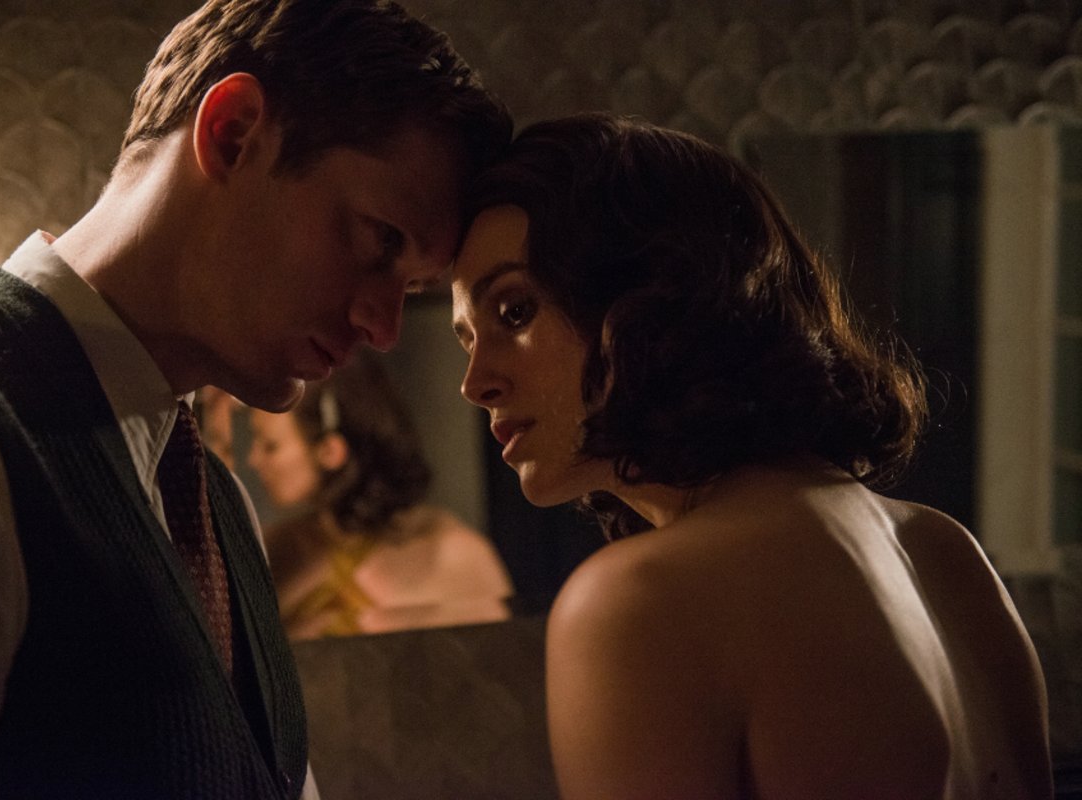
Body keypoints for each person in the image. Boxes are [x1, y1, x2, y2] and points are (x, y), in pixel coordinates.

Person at [0, 0, 510, 797]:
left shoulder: (215, 503)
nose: (385, 328)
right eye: (380, 240)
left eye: (412, 287)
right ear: (234, 132)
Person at [450, 113, 1052, 799]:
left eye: (515, 312)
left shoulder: (645, 604)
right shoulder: (948, 554)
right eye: (467, 338)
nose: (476, 383)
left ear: (653, 294)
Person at [242, 351, 513, 638]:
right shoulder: (274, 551)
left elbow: (501, 655)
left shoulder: (454, 552)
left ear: (331, 450)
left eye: (270, 445)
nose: (253, 459)